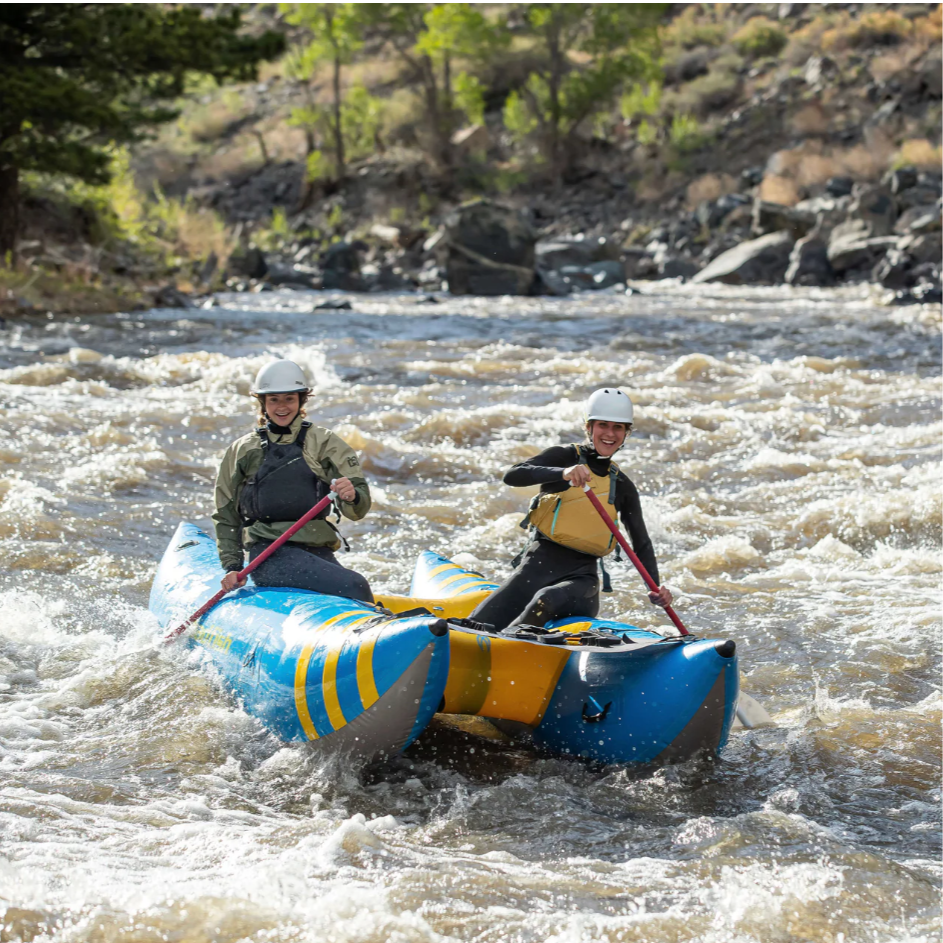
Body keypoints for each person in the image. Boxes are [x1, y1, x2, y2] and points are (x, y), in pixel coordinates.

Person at [470, 388, 672, 631]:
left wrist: (655, 587)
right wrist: (562, 473)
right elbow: (512, 475)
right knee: (476, 624)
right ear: (589, 428)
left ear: (626, 433)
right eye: (603, 425)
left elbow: (641, 543)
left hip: (581, 583)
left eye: (618, 427)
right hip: (535, 567)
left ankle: (512, 647)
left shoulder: (622, 485)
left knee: (546, 598)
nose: (610, 433)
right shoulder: (564, 457)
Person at [212, 359, 373, 602]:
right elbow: (226, 515)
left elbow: (357, 509)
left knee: (353, 589)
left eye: (289, 398)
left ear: (301, 400)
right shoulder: (243, 450)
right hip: (268, 553)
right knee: (356, 586)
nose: (282, 406)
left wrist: (351, 495)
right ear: (263, 402)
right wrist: (232, 565)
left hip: (317, 550)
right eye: (274, 399)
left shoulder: (325, 443)